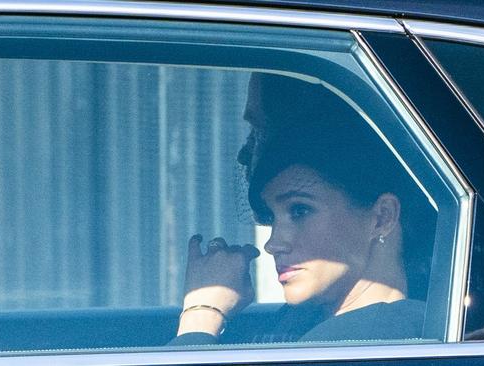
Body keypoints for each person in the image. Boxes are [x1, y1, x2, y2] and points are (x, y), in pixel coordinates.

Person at [169, 73, 432, 345]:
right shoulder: (321, 326)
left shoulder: (364, 341)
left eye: (299, 211)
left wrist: (201, 315)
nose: (272, 244)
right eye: (272, 217)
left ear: (382, 217)